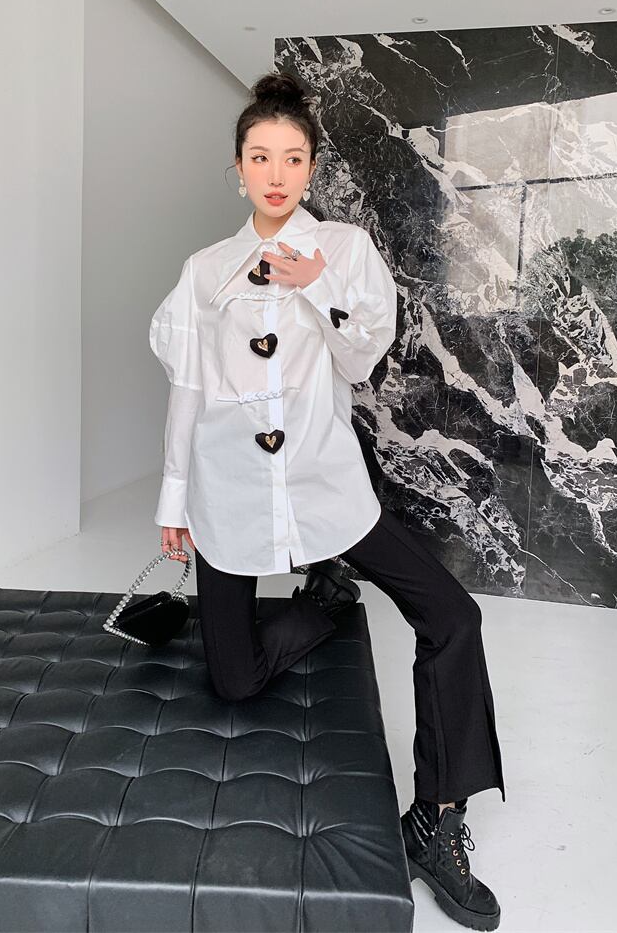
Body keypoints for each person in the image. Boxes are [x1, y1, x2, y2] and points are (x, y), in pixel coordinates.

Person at [149, 69, 505, 931]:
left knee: (453, 617)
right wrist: (173, 499)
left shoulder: (344, 249)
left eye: (293, 158)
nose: (276, 174)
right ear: (238, 166)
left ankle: (437, 820)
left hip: (326, 484)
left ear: (312, 167)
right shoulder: (203, 271)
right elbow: (189, 390)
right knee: (235, 680)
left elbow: (358, 363)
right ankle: (329, 600)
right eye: (259, 156)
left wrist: (315, 284)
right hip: (229, 492)